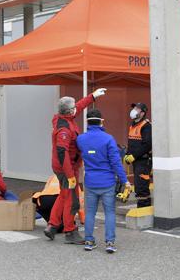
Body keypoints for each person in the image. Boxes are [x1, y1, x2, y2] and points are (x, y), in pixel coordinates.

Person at [44, 88, 107, 245]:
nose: (76, 109)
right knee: (72, 200)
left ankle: (52, 225)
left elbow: (79, 106)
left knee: (64, 195)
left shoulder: (64, 118)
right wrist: (70, 175)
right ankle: (70, 232)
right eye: (74, 108)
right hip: (66, 168)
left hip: (64, 167)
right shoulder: (64, 129)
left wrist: (92, 96)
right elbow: (62, 153)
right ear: (69, 111)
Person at [77, 109, 131, 253]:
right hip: (107, 182)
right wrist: (125, 181)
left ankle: (89, 240)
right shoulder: (108, 139)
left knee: (90, 212)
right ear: (101, 121)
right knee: (110, 213)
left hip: (90, 182)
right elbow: (116, 163)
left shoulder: (81, 139)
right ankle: (110, 243)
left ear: (87, 122)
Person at [123, 103, 152, 208]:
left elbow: (147, 145)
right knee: (138, 185)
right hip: (136, 160)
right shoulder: (133, 124)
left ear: (142, 113)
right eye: (134, 108)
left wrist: (133, 156)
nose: (134, 110)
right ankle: (141, 208)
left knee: (142, 186)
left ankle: (144, 208)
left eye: (137, 109)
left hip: (143, 161)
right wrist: (127, 154)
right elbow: (132, 142)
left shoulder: (146, 126)